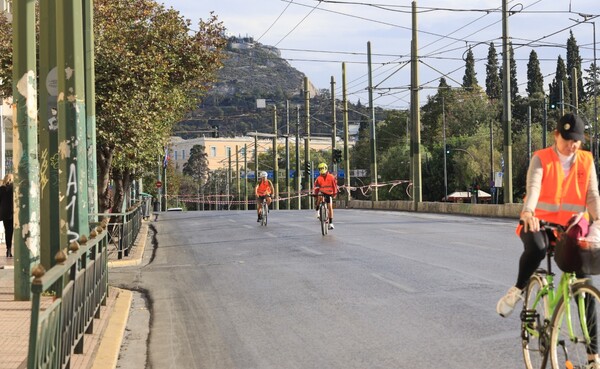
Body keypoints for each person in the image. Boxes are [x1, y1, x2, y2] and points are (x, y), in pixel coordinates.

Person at [496, 113, 600, 367]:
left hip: (571, 228)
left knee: (584, 285)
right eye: (566, 140)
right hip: (538, 223)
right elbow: (533, 188)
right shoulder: (541, 158)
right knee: (538, 249)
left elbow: (592, 195)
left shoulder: (586, 160)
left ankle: (593, 356)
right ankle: (518, 289)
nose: (571, 145)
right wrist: (529, 212)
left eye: (576, 141)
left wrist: (598, 221)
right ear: (556, 136)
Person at [314, 163, 338, 230]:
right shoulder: (318, 178)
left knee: (330, 206)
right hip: (321, 193)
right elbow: (315, 187)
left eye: (323, 169)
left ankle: (330, 223)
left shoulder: (331, 177)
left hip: (329, 193)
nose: (322, 172)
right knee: (319, 197)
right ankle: (317, 210)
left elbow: (334, 186)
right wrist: (315, 194)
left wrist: (335, 194)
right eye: (320, 169)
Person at [0, 174, 14, 258]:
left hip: (5, 213)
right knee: (14, 231)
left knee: (7, 231)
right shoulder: (14, 188)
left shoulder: (1, 189)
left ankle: (8, 250)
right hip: (13, 213)